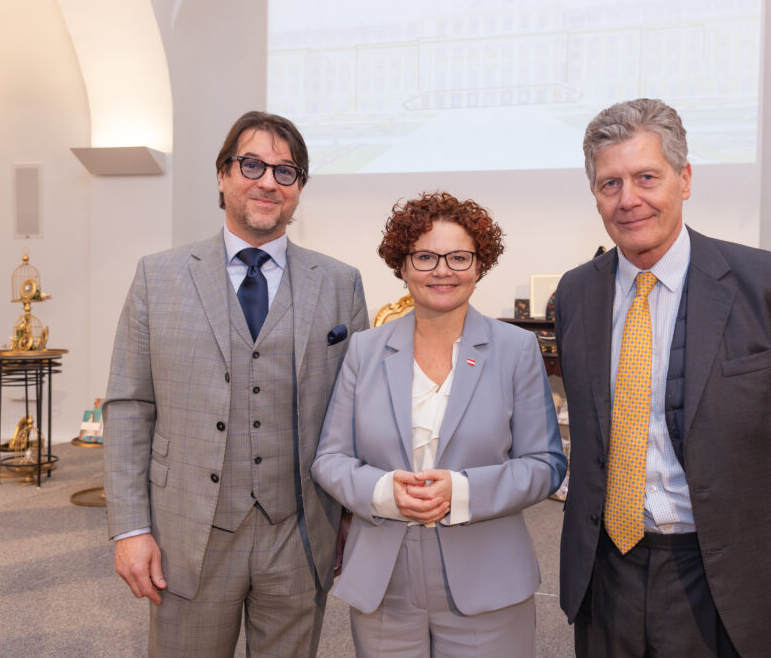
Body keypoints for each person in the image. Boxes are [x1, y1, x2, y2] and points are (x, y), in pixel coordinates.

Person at [556, 99, 771, 658]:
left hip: (724, 568)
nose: (628, 199)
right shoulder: (578, 292)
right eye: (610, 184)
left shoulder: (770, 284)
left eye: (645, 177)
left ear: (684, 179)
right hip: (608, 570)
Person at [103, 111, 368, 657]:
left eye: (286, 171)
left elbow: (355, 412)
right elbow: (130, 407)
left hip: (299, 532)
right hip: (188, 533)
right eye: (252, 164)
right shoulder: (159, 276)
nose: (269, 181)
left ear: (298, 191)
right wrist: (130, 528)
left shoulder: (341, 283)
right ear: (223, 175)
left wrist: (352, 515)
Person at [312, 192, 567, 657]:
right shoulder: (365, 350)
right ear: (402, 265)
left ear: (479, 265)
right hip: (384, 582)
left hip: (488, 576)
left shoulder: (516, 350)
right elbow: (329, 459)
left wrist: (461, 490)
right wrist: (384, 491)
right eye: (425, 256)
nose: (442, 270)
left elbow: (546, 464)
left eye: (459, 257)